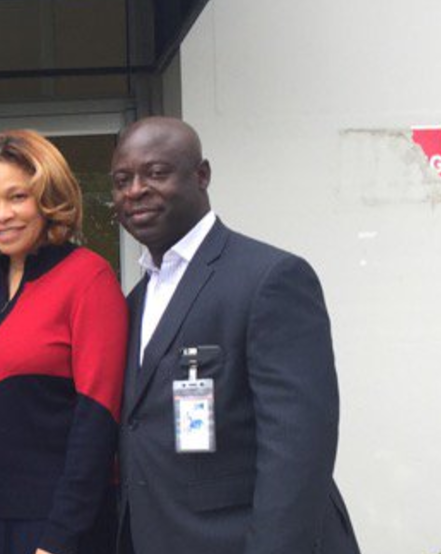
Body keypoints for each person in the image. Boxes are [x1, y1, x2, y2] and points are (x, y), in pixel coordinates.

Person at [110, 117, 359, 554]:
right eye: (122, 179)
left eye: (156, 173)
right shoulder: (133, 301)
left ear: (202, 175)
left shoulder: (270, 278)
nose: (135, 190)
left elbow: (298, 449)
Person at [0, 130, 127, 554]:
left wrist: (59, 537)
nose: (1, 215)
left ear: (48, 198)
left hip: (51, 527)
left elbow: (97, 418)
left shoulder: (88, 277)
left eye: (17, 197)